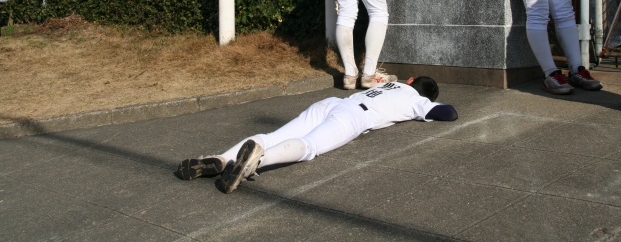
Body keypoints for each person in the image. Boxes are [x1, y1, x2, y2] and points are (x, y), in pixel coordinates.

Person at [177, 76, 457, 193]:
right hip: (354, 116)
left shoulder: (391, 84)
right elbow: (449, 113)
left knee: (272, 135)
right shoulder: (418, 100)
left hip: (332, 103)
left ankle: (220, 158)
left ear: (410, 80)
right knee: (310, 146)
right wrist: (431, 104)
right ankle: (255, 163)